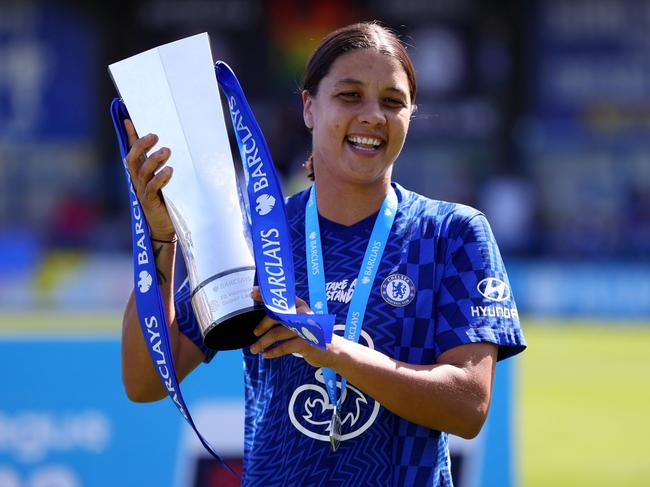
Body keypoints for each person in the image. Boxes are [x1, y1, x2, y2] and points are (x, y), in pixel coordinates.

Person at [120, 21, 526, 487]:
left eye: (392, 101)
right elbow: (145, 381)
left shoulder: (451, 233)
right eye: (350, 95)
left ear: (411, 115)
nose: (373, 115)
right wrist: (161, 240)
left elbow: (468, 406)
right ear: (310, 107)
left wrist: (334, 352)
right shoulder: (254, 236)